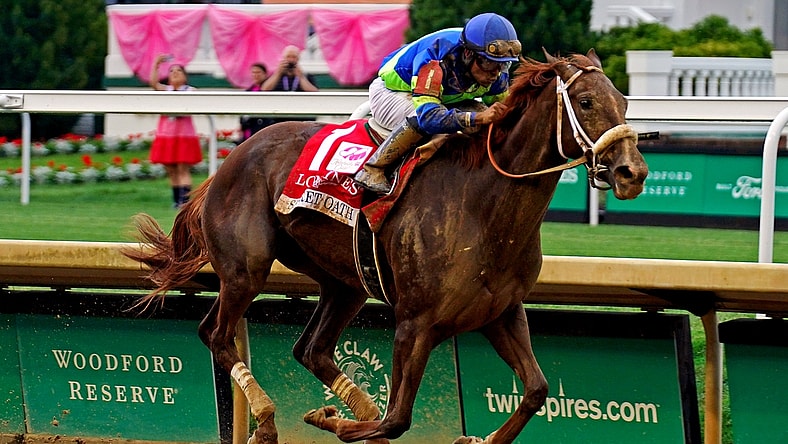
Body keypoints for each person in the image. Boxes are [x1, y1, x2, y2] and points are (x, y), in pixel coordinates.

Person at [354, 12, 521, 194]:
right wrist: (479, 117)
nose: (496, 73)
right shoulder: (435, 59)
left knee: (484, 120)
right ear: (468, 54)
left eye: (504, 65)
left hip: (441, 98)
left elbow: (504, 111)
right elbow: (428, 117)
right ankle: (373, 169)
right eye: (489, 63)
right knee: (437, 127)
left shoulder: (496, 69)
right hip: (393, 92)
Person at [148, 54, 203, 208]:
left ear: (185, 76)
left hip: (183, 134)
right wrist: (156, 64)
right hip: (167, 134)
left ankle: (184, 201)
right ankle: (176, 199)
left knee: (182, 167)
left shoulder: (191, 91)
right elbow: (153, 83)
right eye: (172, 71)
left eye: (179, 71)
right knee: (171, 168)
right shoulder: (167, 90)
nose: (175, 73)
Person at [239, 62, 275, 142]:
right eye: (253, 72)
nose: (255, 75)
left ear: (265, 74)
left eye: (258, 72)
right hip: (250, 127)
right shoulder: (248, 91)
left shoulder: (270, 89)